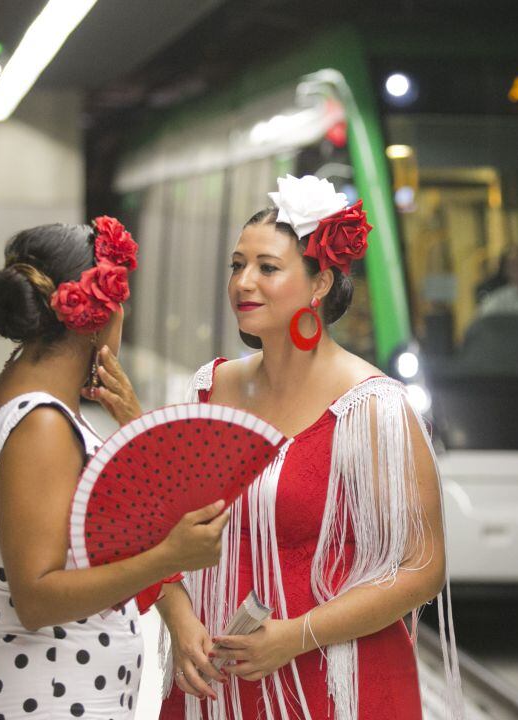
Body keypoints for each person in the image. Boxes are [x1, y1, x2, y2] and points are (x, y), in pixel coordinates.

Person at [156, 176, 465, 720]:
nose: (243, 282)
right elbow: (162, 529)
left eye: (267, 268)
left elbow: (423, 567)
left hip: (332, 685)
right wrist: (180, 620)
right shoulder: (208, 389)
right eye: (236, 265)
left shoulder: (375, 409)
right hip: (218, 685)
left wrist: (296, 636)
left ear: (319, 284)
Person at [0, 218, 229, 719]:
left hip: (59, 693)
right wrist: (167, 555)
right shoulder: (42, 423)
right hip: (50, 698)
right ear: (96, 314)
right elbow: (36, 597)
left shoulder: (21, 398)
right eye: (121, 299)